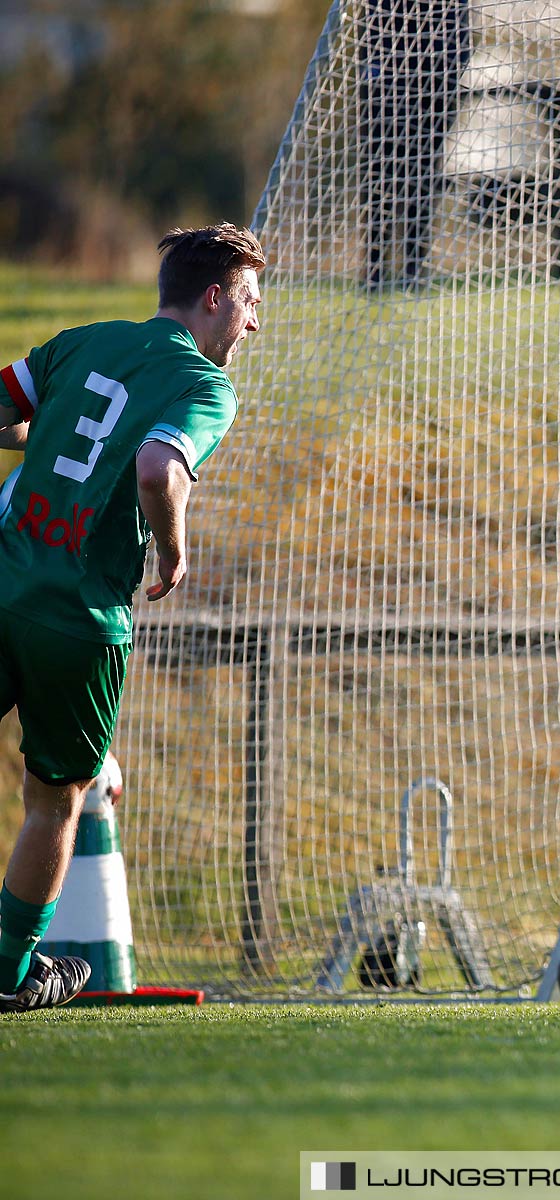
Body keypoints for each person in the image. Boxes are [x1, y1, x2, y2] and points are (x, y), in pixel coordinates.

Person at [0, 223, 265, 1012]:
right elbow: (157, 468)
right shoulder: (206, 387)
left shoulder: (84, 340)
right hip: (79, 617)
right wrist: (172, 547)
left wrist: (44, 448)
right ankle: (10, 974)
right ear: (214, 297)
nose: (254, 323)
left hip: (4, 575)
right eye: (250, 302)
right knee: (57, 797)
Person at [360, 0, 471, 289]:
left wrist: (449, 77)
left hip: (433, 89)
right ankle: (375, 267)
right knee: (379, 177)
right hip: (385, 87)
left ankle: (413, 268)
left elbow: (461, 34)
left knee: (421, 179)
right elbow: (369, 28)